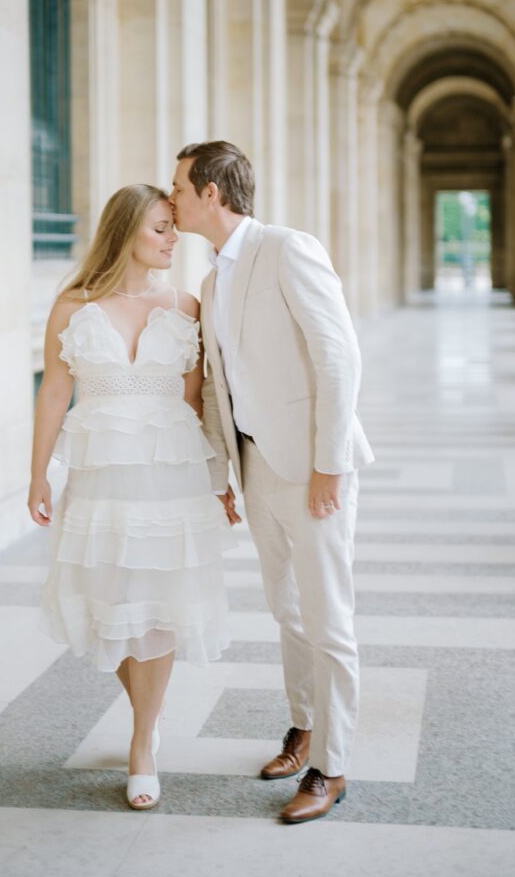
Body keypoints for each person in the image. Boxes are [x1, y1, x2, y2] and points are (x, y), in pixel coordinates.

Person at [170, 141, 374, 824]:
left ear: (211, 195)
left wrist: (330, 464)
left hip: (312, 466)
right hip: (257, 465)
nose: (171, 200)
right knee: (288, 611)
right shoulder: (211, 283)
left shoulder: (288, 249)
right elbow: (220, 389)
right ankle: (304, 727)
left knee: (329, 619)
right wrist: (226, 469)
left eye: (178, 188)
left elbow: (339, 356)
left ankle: (332, 766)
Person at [29, 184, 235, 811]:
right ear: (124, 233)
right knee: (111, 605)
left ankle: (143, 739)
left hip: (169, 477)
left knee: (162, 605)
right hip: (100, 481)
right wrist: (38, 474)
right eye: (160, 229)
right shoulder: (72, 305)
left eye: (174, 228)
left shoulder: (187, 305)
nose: (174, 239)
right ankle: (143, 714)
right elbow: (53, 395)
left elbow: (199, 401)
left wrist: (219, 478)